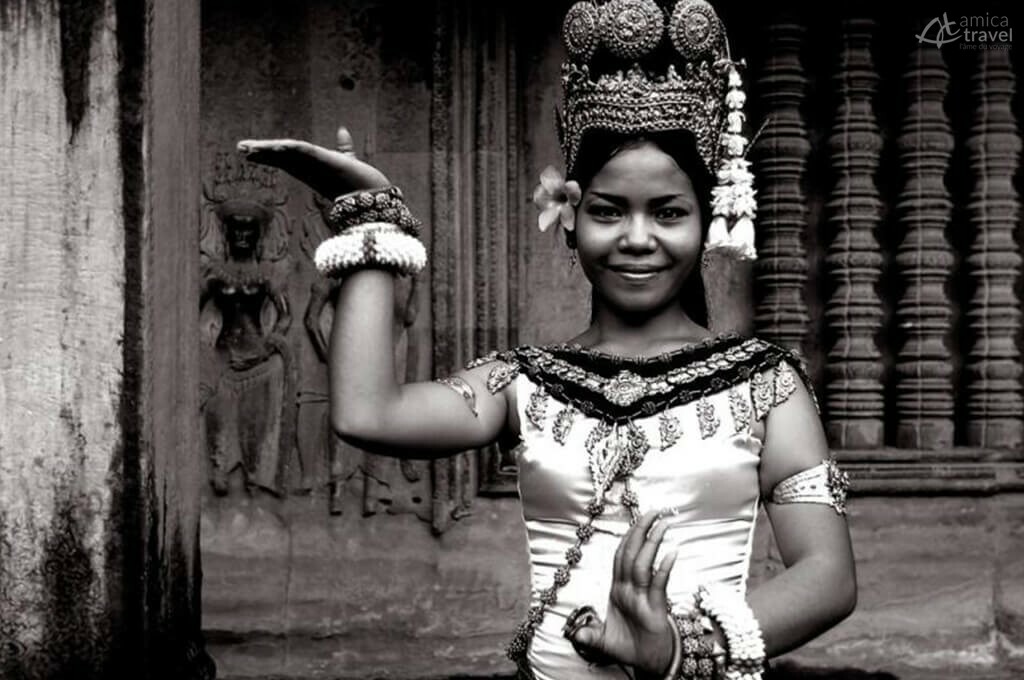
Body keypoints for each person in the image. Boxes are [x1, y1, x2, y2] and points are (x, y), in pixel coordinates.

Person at [237, 1, 856, 678]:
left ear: (708, 224)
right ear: (568, 218)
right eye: (608, 211)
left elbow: (827, 576)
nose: (638, 238)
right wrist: (371, 217)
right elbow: (366, 411)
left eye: (670, 213)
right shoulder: (524, 383)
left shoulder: (764, 383)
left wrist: (679, 650)